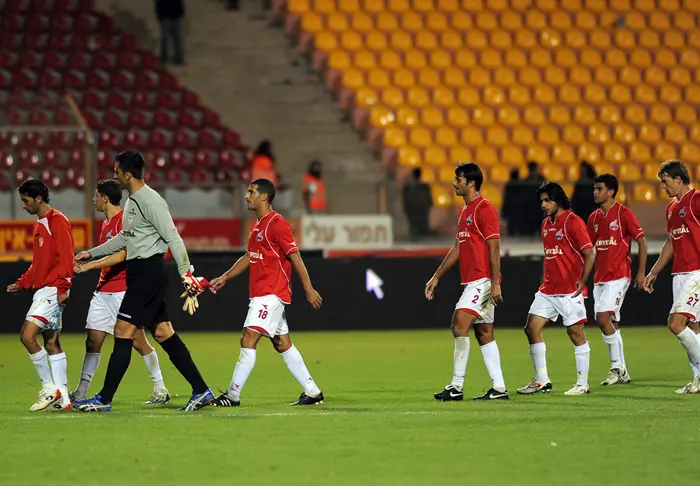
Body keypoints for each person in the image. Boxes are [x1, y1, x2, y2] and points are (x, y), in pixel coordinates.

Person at [73, 150, 214, 412]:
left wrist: (186, 273)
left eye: (116, 171)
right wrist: (91, 252)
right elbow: (125, 238)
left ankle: (104, 399)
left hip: (148, 273)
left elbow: (173, 237)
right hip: (142, 273)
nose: (114, 175)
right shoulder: (132, 203)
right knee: (163, 333)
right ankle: (201, 390)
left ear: (128, 174)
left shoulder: (151, 200)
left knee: (122, 331)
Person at [208, 178, 325, 407]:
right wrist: (225, 277)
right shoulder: (258, 226)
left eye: (251, 192)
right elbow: (248, 258)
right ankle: (312, 391)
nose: (246, 196)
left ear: (264, 196)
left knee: (248, 337)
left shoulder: (277, 223)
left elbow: (295, 257)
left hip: (272, 293)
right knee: (282, 343)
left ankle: (232, 395)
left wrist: (308, 288)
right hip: (262, 293)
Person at [71, 180, 170, 406]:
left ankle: (160, 388)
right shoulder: (106, 225)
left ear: (105, 198)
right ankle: (80, 392)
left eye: (96, 195)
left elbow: (123, 254)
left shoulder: (124, 220)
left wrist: (89, 265)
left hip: (123, 290)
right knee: (93, 341)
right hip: (103, 290)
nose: (93, 199)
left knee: (138, 342)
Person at [425, 163, 508, 401]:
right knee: (484, 332)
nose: (454, 183)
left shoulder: (485, 209)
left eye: (458, 179)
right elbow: (459, 247)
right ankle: (499, 388)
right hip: (474, 280)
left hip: (482, 280)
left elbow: (494, 247)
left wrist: (494, 282)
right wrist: (436, 276)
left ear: (471, 182)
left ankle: (456, 386)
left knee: (459, 324)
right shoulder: (465, 212)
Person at [517, 182, 594, 396]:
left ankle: (582, 384)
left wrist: (583, 280)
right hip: (548, 290)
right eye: (541, 200)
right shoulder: (545, 225)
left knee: (575, 333)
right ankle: (542, 381)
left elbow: (590, 253)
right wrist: (544, 279)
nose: (543, 204)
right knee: (531, 328)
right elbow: (550, 255)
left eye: (547, 200)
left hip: (570, 289)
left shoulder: (573, 222)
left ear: (558, 200)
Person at [6, 180, 74, 411]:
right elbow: (39, 263)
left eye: (25, 201)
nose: (23, 206)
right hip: (45, 288)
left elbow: (67, 256)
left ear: (39, 199)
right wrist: (22, 282)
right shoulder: (39, 224)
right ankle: (63, 396)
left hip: (53, 289)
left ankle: (48, 388)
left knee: (27, 336)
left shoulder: (57, 221)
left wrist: (64, 287)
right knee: (51, 343)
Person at [643, 160, 700, 394]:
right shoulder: (671, 208)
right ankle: (697, 379)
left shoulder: (696, 200)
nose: (663, 188)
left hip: (697, 272)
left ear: (679, 179)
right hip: (679, 273)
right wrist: (654, 271)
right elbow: (670, 242)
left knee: (676, 323)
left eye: (665, 182)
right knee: (694, 327)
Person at [587, 174, 647, 386]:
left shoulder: (624, 214)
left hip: (619, 275)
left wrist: (640, 272)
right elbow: (588, 249)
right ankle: (622, 372)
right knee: (612, 322)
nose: (595, 192)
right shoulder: (593, 218)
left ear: (611, 191)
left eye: (599, 188)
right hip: (599, 278)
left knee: (602, 318)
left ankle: (616, 367)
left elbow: (642, 241)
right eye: (594, 188)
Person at [402, 167, 433, 241]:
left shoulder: (408, 187)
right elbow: (429, 199)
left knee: (414, 226)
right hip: (423, 209)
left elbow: (406, 198)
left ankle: (415, 238)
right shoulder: (425, 186)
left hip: (413, 209)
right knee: (422, 224)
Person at [156, 0, 184, 65]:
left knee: (175, 39)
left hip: (173, 17)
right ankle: (167, 58)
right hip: (167, 17)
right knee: (169, 39)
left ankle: (176, 58)